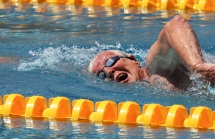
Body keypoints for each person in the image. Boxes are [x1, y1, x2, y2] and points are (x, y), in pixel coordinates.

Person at [88, 15, 215, 91]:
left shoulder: (155, 68)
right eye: (100, 75)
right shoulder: (150, 90)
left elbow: (176, 23)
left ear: (133, 60)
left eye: (110, 61)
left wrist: (197, 66)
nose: (108, 72)